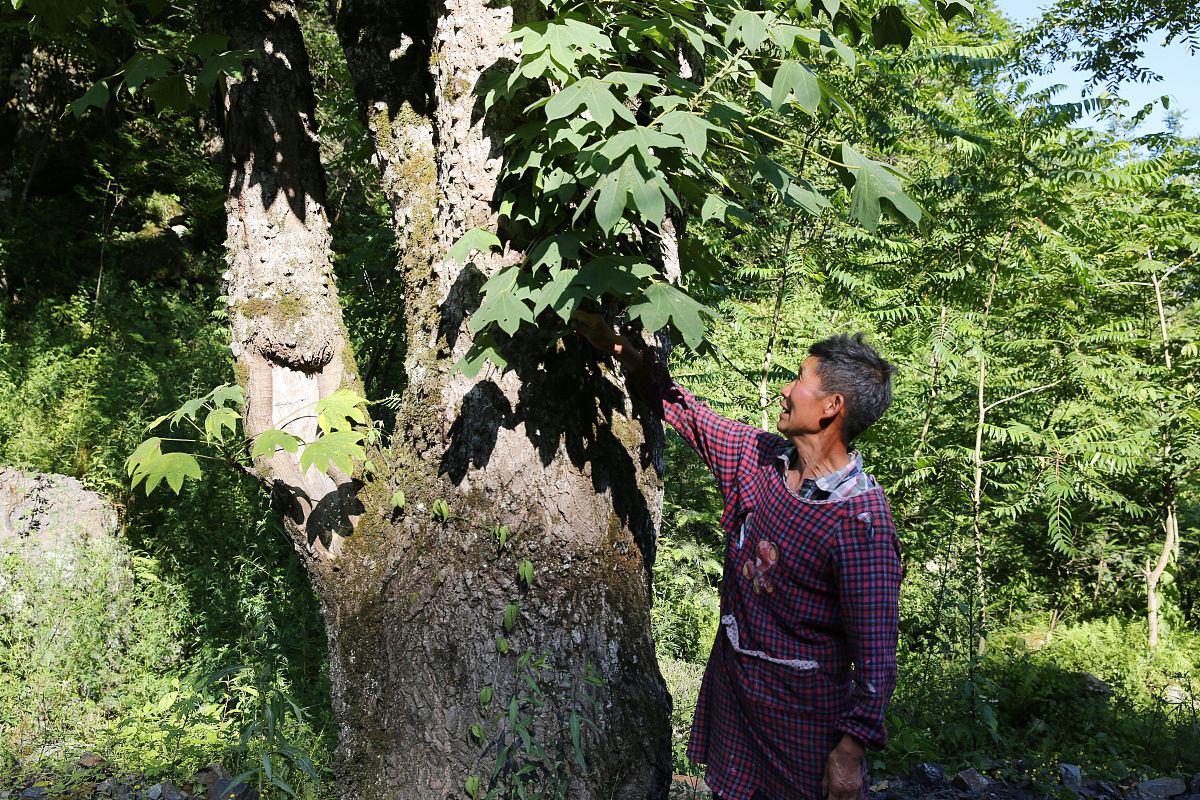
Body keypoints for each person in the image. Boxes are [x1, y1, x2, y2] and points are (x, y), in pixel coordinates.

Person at [573, 312, 902, 800]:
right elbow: (685, 410)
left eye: (799, 380)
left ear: (832, 407)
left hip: (803, 724)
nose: (786, 391)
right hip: (739, 699)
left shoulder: (861, 524)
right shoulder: (760, 461)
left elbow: (875, 660)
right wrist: (621, 350)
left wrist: (849, 754)